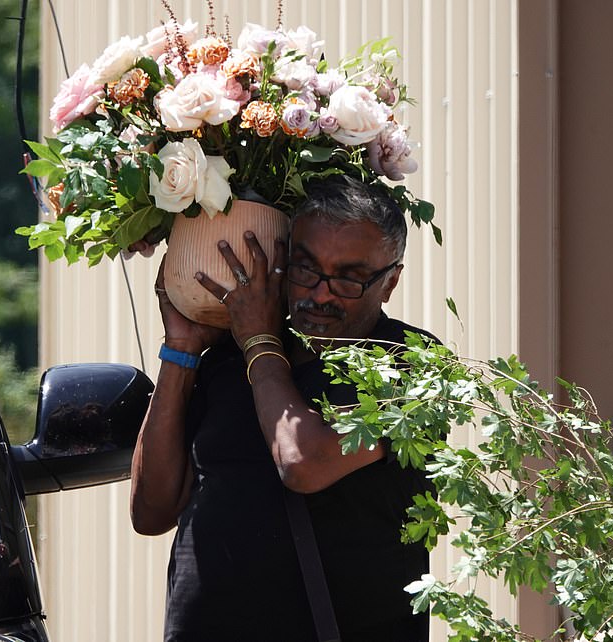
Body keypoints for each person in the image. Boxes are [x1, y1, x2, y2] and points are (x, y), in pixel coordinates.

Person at [130, 175, 435, 641]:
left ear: (390, 281)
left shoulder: (411, 362)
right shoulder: (228, 362)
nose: (320, 294)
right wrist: (181, 351)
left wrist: (258, 341)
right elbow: (150, 513)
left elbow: (303, 463)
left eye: (349, 278)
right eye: (305, 269)